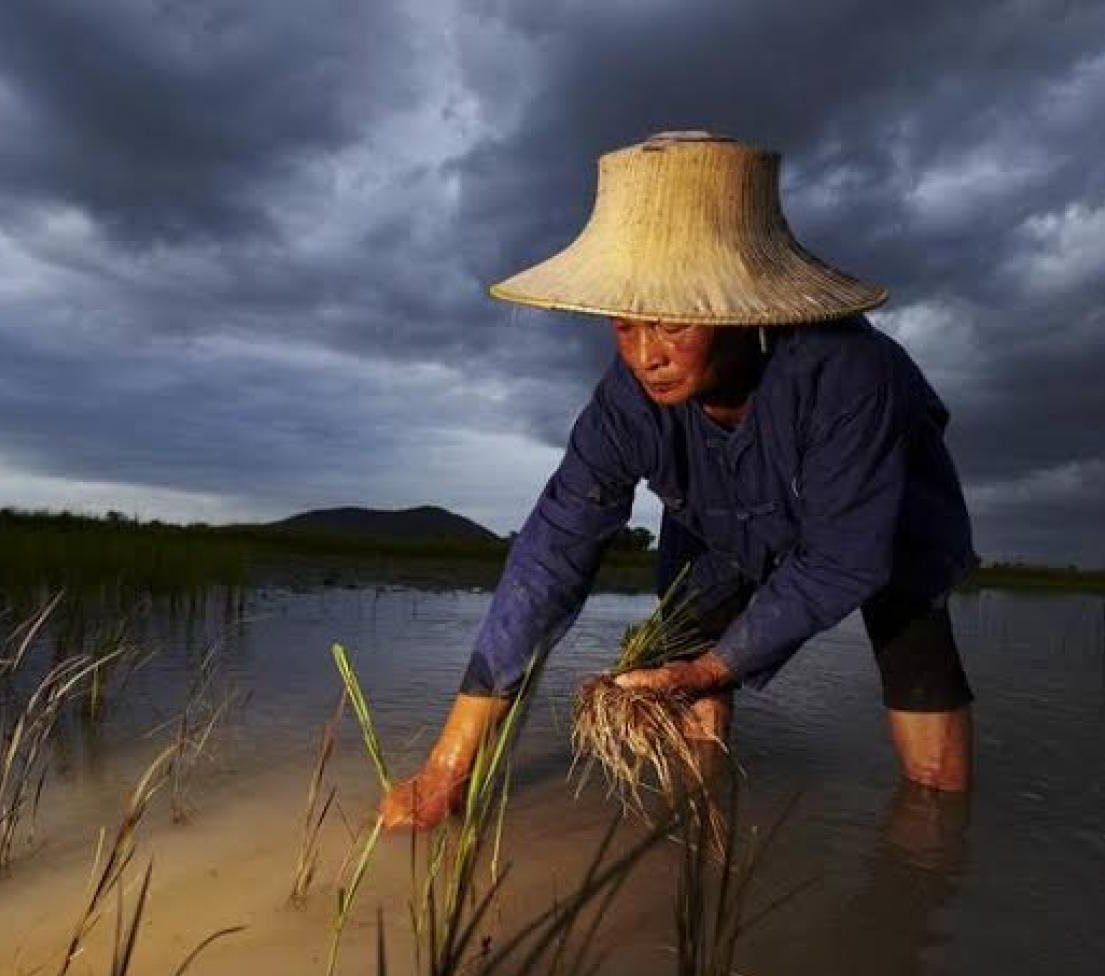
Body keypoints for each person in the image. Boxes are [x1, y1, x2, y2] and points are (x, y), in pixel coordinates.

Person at [382, 131, 977, 831]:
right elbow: (549, 558)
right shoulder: (624, 404)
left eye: (669, 325)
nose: (645, 356)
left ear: (736, 310)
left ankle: (929, 878)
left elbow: (844, 558)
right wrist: (450, 765)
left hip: (885, 533)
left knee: (934, 778)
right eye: (625, 326)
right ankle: (699, 850)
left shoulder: (849, 376)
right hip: (715, 530)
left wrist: (706, 670)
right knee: (693, 711)